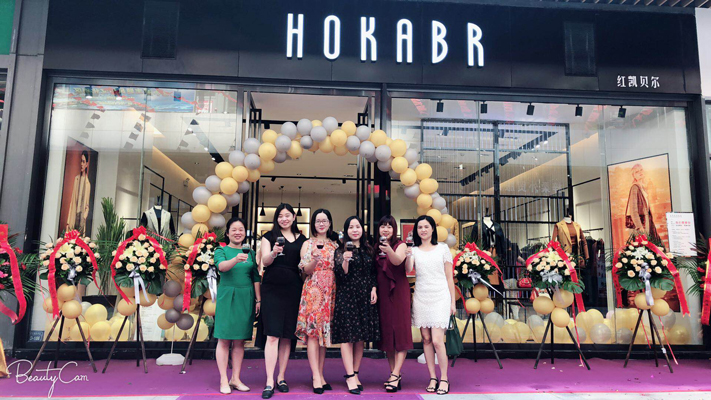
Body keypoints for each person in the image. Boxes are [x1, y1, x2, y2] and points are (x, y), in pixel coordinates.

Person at [257, 203, 306, 399]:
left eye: (287, 215)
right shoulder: (268, 237)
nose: (284, 219)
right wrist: (274, 252)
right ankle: (269, 380)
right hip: (272, 288)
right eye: (280, 216)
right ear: (276, 218)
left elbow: (303, 264)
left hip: (294, 288)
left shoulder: (302, 239)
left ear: (294, 217)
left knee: (287, 335)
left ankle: (281, 377)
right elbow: (265, 262)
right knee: (272, 335)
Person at [406, 215, 455, 395]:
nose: (423, 230)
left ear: (433, 228)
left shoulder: (442, 248)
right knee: (426, 339)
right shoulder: (414, 250)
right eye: (420, 227)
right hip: (421, 296)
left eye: (426, 226)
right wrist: (408, 255)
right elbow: (407, 270)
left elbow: (449, 277)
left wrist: (452, 302)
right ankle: (433, 377)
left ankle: (444, 378)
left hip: (440, 296)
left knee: (437, 340)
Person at [332, 216, 380, 395]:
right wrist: (345, 259)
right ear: (346, 231)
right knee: (347, 337)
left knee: (360, 338)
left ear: (362, 229)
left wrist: (374, 289)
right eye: (351, 227)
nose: (354, 230)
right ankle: (349, 375)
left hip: (365, 295)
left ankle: (356, 373)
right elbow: (341, 275)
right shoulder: (340, 250)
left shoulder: (369, 249)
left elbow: (373, 273)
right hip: (347, 296)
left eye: (357, 226)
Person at [213, 217, 261, 394]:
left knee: (240, 340)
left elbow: (255, 277)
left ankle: (236, 378)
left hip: (246, 296)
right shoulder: (221, 250)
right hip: (228, 296)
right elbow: (221, 267)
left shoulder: (251, 252)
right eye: (234, 229)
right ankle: (223, 379)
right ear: (227, 233)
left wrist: (258, 299)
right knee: (224, 339)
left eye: (241, 229)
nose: (238, 232)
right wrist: (235, 260)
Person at [296, 209, 338, 394]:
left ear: (329, 223)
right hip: (314, 290)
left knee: (323, 334)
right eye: (318, 221)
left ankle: (321, 374)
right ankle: (315, 376)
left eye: (324, 220)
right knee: (314, 333)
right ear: (313, 224)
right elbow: (305, 269)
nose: (321, 224)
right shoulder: (308, 244)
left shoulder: (335, 244)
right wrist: (314, 259)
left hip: (330, 291)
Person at [374, 215, 411, 392]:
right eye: (383, 226)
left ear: (394, 229)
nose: (386, 229)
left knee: (401, 333)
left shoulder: (400, 245)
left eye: (389, 226)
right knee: (388, 335)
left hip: (399, 292)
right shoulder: (376, 247)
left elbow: (397, 261)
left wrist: (388, 249)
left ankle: (396, 374)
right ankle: (393, 374)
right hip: (382, 293)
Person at [625, 163, 659, 240]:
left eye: (641, 170)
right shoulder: (634, 188)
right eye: (637, 172)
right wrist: (639, 227)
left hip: (646, 221)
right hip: (641, 224)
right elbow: (633, 210)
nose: (640, 172)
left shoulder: (642, 188)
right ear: (633, 175)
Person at [66, 150, 92, 234]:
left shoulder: (88, 184)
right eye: (81, 161)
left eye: (83, 162)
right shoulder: (76, 179)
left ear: (86, 164)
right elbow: (72, 201)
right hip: (74, 216)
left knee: (79, 238)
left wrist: (84, 217)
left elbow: (87, 205)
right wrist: (68, 222)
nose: (81, 164)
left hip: (81, 219)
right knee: (70, 236)